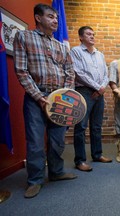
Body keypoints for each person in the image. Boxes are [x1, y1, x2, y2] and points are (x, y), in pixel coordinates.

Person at [13, 3, 77, 198]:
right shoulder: (24, 37)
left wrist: (65, 96)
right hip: (36, 98)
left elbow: (70, 72)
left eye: (56, 17)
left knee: (58, 139)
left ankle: (56, 172)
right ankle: (35, 180)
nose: (55, 20)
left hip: (60, 98)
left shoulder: (61, 46)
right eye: (50, 16)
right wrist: (39, 98)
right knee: (35, 141)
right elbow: (21, 71)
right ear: (38, 18)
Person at [70, 26, 112, 172]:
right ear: (81, 37)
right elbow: (78, 73)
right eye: (88, 34)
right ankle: (80, 160)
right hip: (84, 92)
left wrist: (101, 88)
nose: (92, 36)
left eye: (93, 34)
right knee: (80, 127)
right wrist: (97, 87)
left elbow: (106, 74)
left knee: (96, 126)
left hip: (99, 93)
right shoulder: (76, 51)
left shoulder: (100, 54)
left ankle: (97, 154)